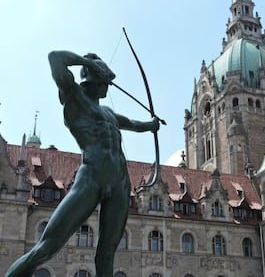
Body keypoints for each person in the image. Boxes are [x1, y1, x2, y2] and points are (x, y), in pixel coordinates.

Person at [6, 50, 160, 277]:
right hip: (91, 179)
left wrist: (150, 125)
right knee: (47, 247)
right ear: (94, 78)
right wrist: (89, 62)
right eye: (105, 80)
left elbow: (132, 123)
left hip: (119, 183)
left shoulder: (107, 112)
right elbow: (54, 58)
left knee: (107, 253)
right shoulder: (74, 97)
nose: (109, 85)